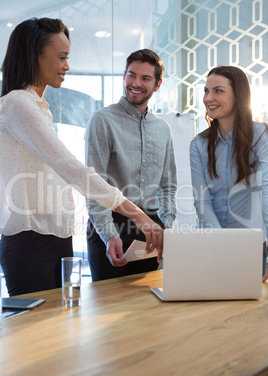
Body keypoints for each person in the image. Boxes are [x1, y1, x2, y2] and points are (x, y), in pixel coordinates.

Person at [0, 18, 164, 296]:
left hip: (55, 238)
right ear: (35, 56)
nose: (67, 66)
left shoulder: (39, 107)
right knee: (38, 335)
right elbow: (71, 168)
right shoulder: (18, 103)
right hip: (29, 241)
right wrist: (136, 213)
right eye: (62, 57)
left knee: (60, 330)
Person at [85, 49, 177, 281]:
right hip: (110, 226)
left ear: (157, 85)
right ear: (124, 76)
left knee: (146, 306)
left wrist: (165, 226)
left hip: (150, 229)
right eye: (131, 75)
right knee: (107, 304)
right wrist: (109, 235)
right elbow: (95, 186)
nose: (136, 83)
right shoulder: (102, 120)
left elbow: (168, 186)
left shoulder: (163, 129)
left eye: (145, 78)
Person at [189, 65, 268, 281]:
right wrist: (220, 242)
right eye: (206, 91)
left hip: (250, 245)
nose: (208, 98)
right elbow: (201, 200)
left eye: (218, 91)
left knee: (249, 312)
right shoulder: (198, 144)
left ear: (238, 95)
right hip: (210, 243)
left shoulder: (261, 136)